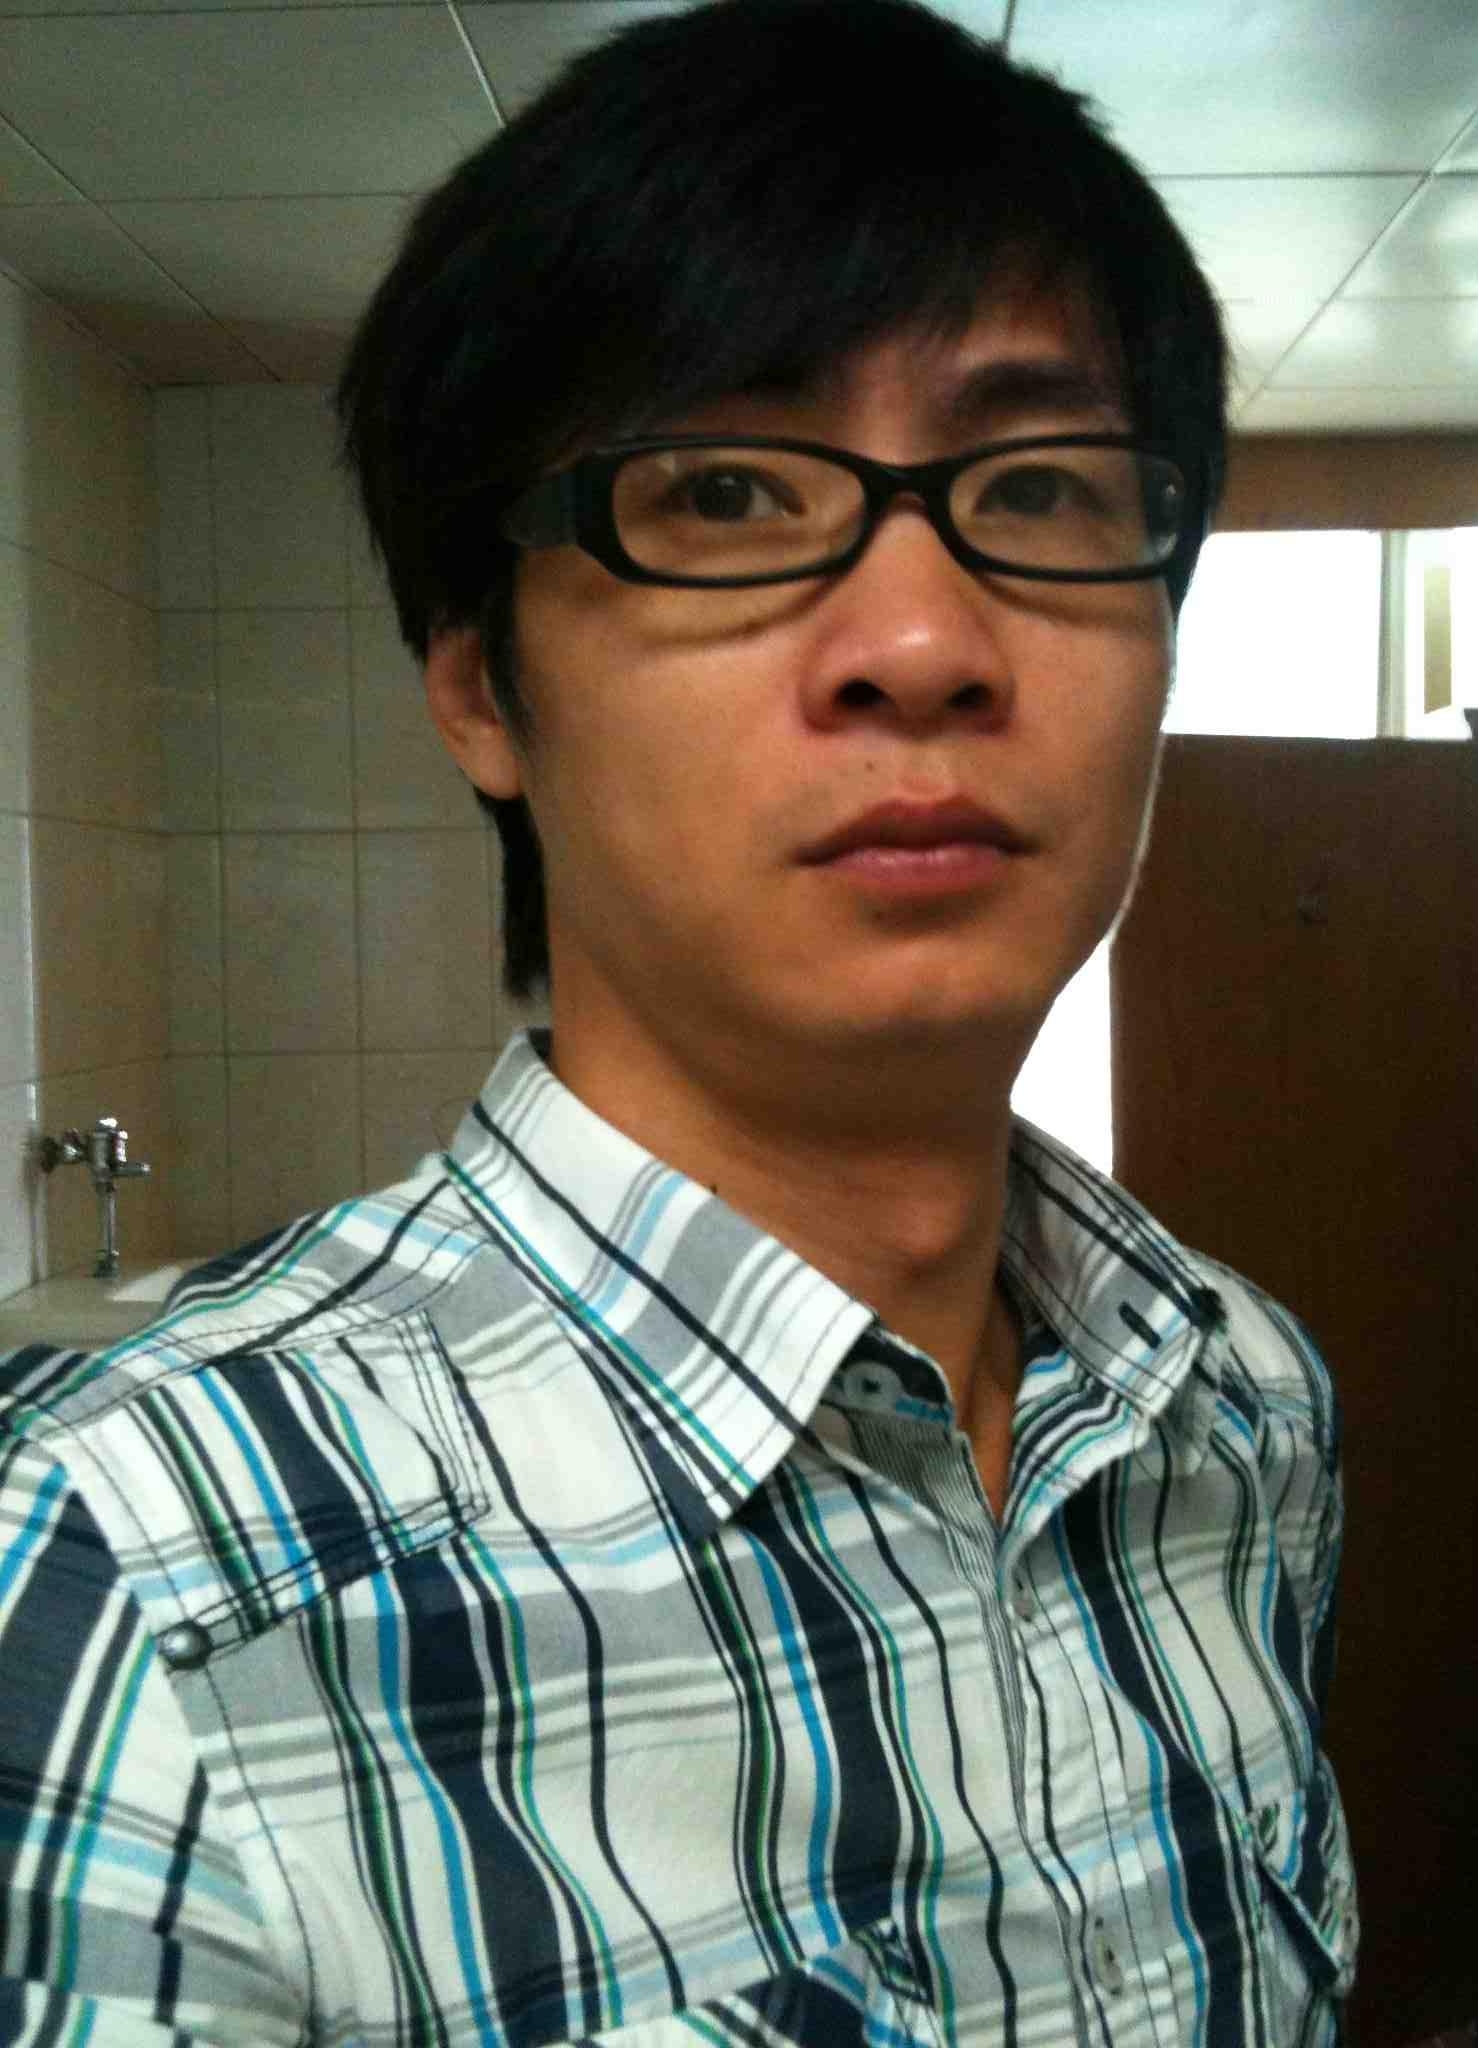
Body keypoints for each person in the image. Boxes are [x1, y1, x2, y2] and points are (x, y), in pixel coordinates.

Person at [0, 1, 1357, 2042]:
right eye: (723, 490)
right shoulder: (122, 1582)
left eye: (1043, 487)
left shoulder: (1241, 1408)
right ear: (482, 685)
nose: (924, 641)